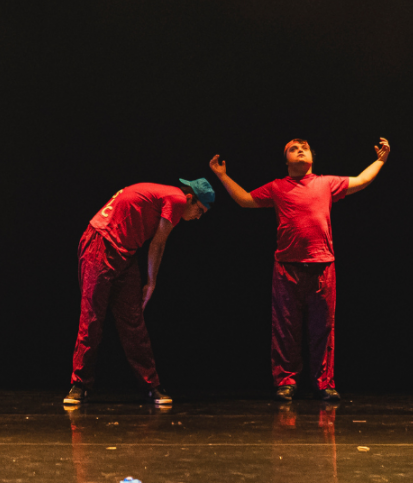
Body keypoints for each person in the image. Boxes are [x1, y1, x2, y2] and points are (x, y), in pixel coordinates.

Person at [209, 138, 390, 401]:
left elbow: (361, 180)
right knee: (285, 328)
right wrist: (222, 176)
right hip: (287, 268)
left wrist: (381, 160)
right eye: (293, 149)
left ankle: (324, 383)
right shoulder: (278, 186)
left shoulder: (326, 183)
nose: (300, 150)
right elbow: (246, 200)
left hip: (322, 265)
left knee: (323, 328)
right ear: (286, 161)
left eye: (303, 147)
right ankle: (286, 381)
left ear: (312, 158)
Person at [65, 178, 215, 405]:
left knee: (134, 322)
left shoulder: (168, 196)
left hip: (125, 253)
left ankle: (151, 385)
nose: (198, 217)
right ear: (190, 199)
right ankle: (79, 385)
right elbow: (158, 244)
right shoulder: (176, 199)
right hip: (101, 244)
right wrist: (151, 282)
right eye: (200, 210)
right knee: (92, 319)